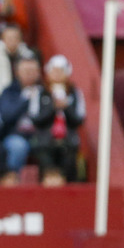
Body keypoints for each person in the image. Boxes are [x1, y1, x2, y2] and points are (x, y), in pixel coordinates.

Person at [32, 54, 85, 183]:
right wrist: (53, 108)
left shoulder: (74, 92)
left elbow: (79, 120)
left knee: (69, 165)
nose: (57, 75)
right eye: (54, 71)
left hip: (68, 141)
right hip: (45, 140)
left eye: (60, 71)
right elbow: (36, 119)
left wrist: (66, 108)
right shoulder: (40, 92)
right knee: (46, 164)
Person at [0, 53, 43, 182]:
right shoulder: (10, 92)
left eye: (33, 70)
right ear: (17, 73)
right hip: (15, 134)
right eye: (26, 71)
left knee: (51, 145)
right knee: (18, 147)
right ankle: (13, 182)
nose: (29, 74)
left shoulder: (44, 91)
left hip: (39, 135)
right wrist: (26, 100)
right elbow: (7, 115)